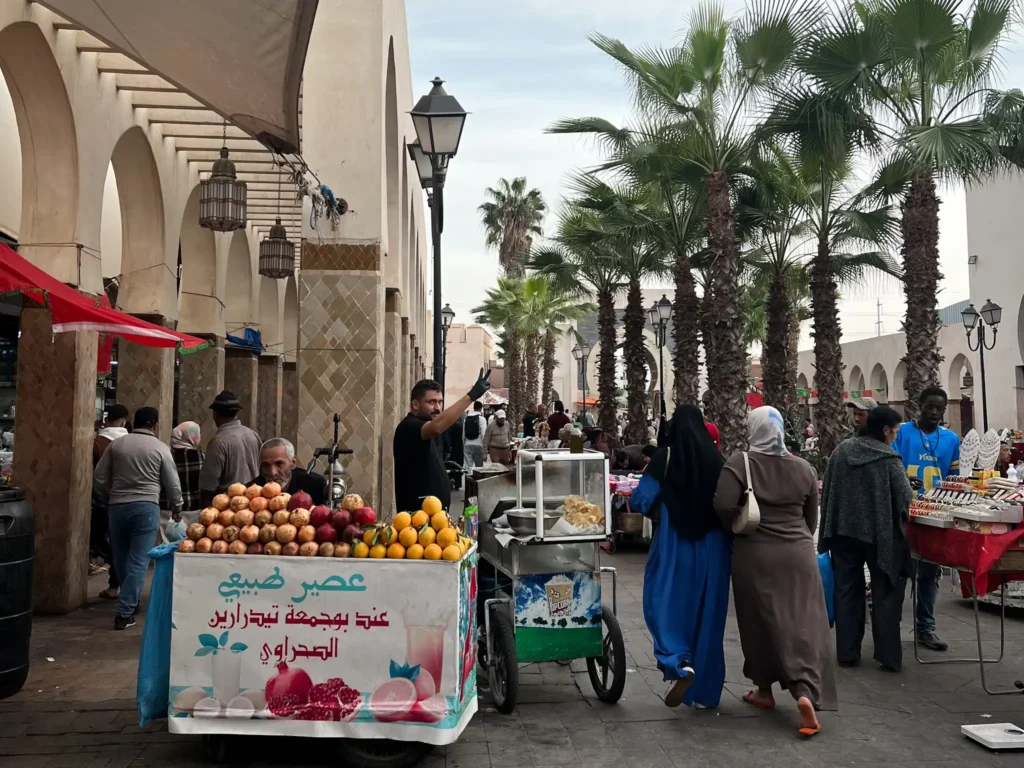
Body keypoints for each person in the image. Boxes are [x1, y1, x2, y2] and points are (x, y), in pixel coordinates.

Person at [714, 406, 837, 736]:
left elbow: (723, 505)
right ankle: (805, 693)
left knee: (759, 622)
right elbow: (811, 518)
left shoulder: (741, 463)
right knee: (803, 624)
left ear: (753, 429)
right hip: (799, 555)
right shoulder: (804, 468)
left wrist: (739, 525)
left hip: (755, 554)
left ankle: (764, 691)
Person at [630, 405, 730, 709]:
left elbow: (640, 499)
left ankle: (678, 660)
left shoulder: (666, 458)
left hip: (675, 543)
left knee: (663, 601)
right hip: (714, 547)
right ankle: (707, 692)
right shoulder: (718, 461)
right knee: (709, 616)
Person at [818, 406, 913, 671]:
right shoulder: (888, 458)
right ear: (884, 430)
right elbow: (906, 500)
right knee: (885, 592)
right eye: (894, 432)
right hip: (879, 536)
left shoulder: (842, 451)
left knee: (847, 590)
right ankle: (888, 655)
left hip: (842, 533)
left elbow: (828, 492)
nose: (894, 437)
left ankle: (847, 652)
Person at [93, 407, 182, 630]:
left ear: (134, 422)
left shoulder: (117, 445)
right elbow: (172, 483)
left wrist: (107, 497)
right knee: (139, 560)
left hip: (117, 507)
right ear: (155, 425)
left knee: (121, 557)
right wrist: (177, 506)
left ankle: (129, 603)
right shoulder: (160, 448)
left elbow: (99, 478)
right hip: (146, 508)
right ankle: (125, 613)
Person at [892, 386, 960, 652]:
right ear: (919, 405)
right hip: (904, 514)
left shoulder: (951, 439)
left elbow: (954, 479)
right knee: (898, 573)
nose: (933, 412)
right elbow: (893, 465)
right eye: (929, 407)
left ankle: (925, 628)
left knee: (930, 575)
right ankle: (890, 628)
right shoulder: (902, 433)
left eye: (939, 409)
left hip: (934, 515)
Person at [394, 370, 491, 513]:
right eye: (431, 402)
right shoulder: (409, 426)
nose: (437, 408)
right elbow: (437, 426)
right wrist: (471, 396)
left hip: (435, 519)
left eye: (440, 402)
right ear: (415, 404)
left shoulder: (425, 427)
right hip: (416, 521)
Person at [91, 404, 130, 599]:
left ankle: (115, 569)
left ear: (107, 420)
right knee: (121, 542)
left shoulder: (98, 442)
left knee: (97, 538)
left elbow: (96, 475)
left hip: (102, 500)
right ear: (124, 421)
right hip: (127, 500)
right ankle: (118, 581)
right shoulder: (131, 442)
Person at [199, 390, 262, 506]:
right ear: (236, 413)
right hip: (254, 504)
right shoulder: (253, 435)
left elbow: (208, 486)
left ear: (215, 414)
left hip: (229, 507)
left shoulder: (218, 443)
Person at [160, 421, 205, 541]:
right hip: (194, 510)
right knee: (188, 547)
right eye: (198, 434)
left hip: (167, 510)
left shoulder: (165, 456)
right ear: (191, 436)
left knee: (166, 548)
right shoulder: (202, 457)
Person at [249, 438, 327, 505]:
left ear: (293, 463)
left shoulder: (315, 485)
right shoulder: (252, 492)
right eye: (266, 465)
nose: (272, 472)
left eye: (279, 463)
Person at [463, 402, 486, 469]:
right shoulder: (482, 419)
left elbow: (463, 434)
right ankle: (478, 479)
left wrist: (464, 443)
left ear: (473, 408)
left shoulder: (466, 419)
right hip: (478, 445)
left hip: (467, 444)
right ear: (480, 409)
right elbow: (483, 434)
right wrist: (484, 447)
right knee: (479, 467)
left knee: (468, 467)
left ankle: (467, 478)